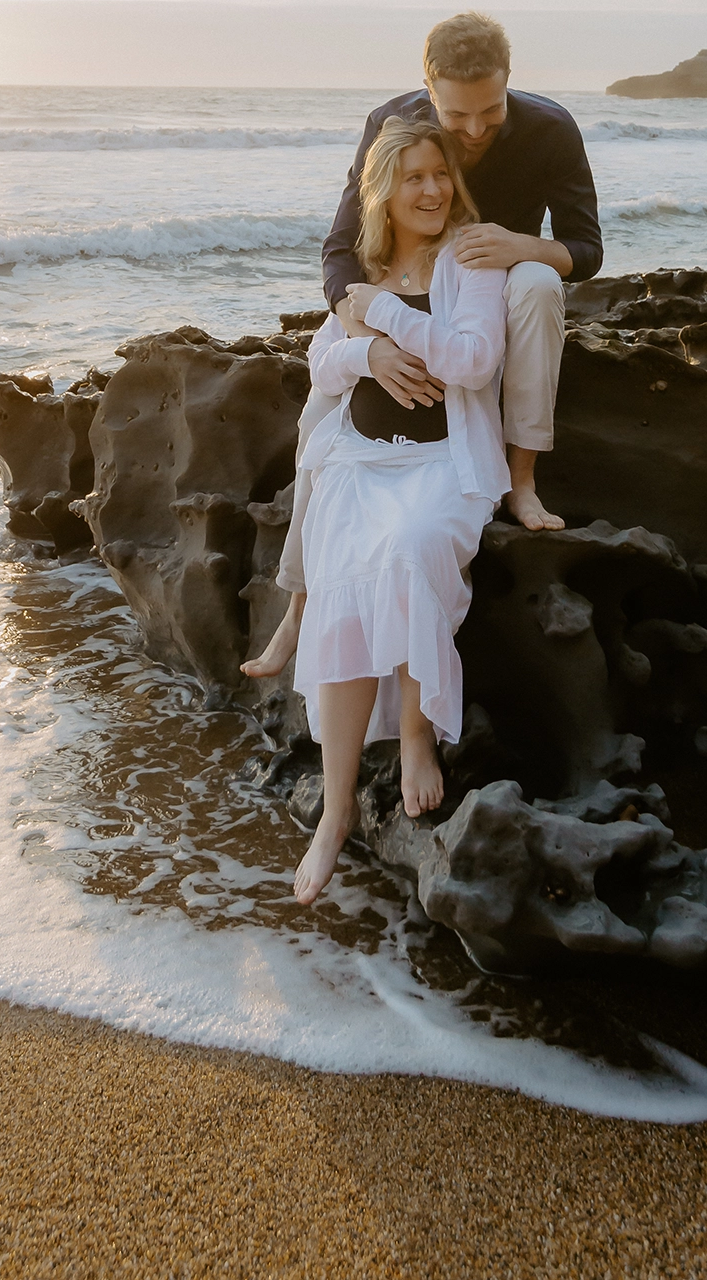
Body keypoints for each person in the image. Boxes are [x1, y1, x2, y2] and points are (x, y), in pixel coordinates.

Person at [242, 10, 601, 684]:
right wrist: (367, 340)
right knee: (316, 425)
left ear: (509, 80)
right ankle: (299, 605)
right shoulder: (392, 122)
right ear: (427, 89)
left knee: (539, 285)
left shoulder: (551, 128)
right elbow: (340, 249)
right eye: (457, 114)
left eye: (491, 111)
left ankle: (522, 477)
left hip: (489, 282)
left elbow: (587, 249)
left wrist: (519, 245)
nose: (474, 130)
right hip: (398, 293)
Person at [287, 115, 509, 905]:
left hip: (444, 463)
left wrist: (382, 314)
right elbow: (323, 362)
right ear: (382, 189)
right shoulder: (368, 266)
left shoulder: (470, 258)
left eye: (440, 174)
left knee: (413, 550)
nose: (431, 189)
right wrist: (369, 351)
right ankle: (336, 808)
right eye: (413, 177)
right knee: (344, 586)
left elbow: (473, 360)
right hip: (360, 462)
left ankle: (417, 735)